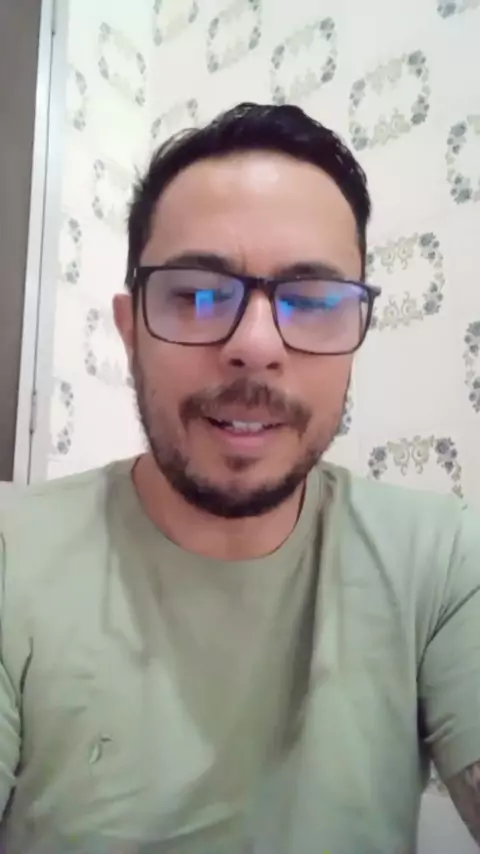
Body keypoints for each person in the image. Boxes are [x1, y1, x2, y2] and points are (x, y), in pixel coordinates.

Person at [0, 102, 479, 854]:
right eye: (196, 295)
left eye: (313, 302)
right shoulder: (12, 551)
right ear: (130, 331)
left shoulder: (444, 559)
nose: (256, 346)